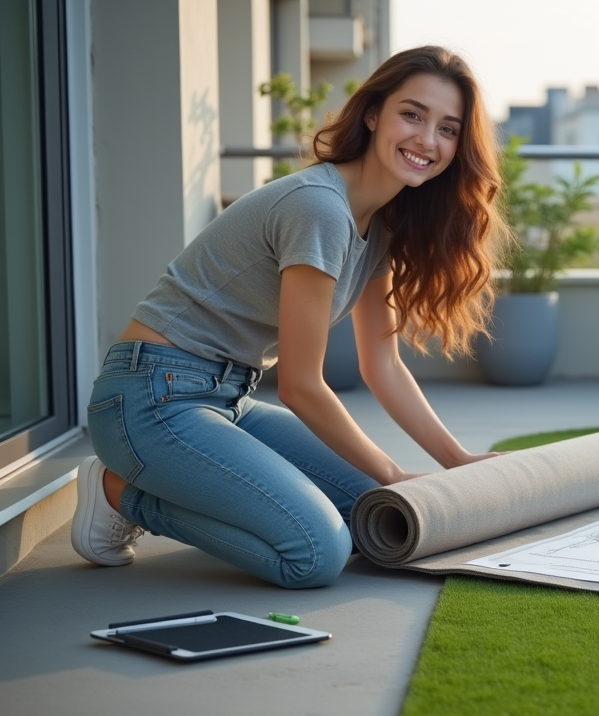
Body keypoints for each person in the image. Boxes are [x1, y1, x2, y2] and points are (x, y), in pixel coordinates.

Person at [70, 46, 504, 589]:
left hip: (227, 400)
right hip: (149, 399)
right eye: (412, 115)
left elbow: (383, 365)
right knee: (316, 553)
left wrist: (456, 460)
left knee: (373, 516)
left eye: (447, 128)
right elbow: (301, 385)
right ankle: (119, 493)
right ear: (373, 114)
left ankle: (164, 481)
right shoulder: (319, 208)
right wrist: (393, 472)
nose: (426, 139)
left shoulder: (379, 225)